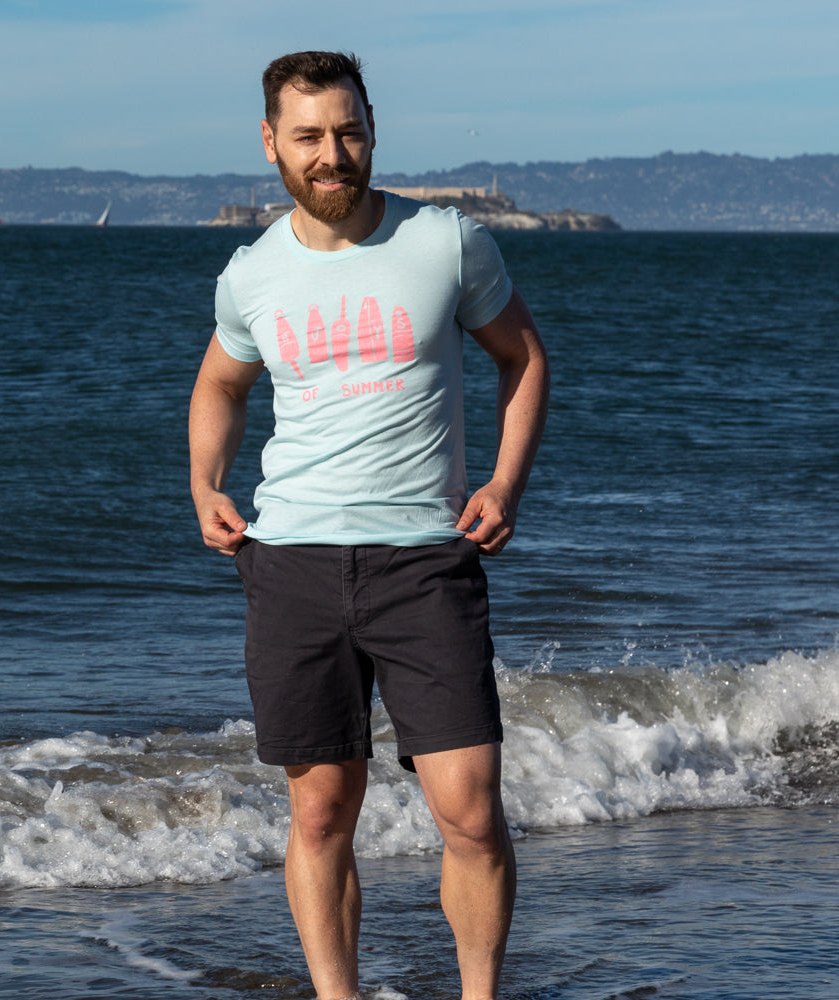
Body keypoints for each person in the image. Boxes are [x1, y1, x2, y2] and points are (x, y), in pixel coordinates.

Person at [189, 50, 549, 1000]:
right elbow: (221, 383)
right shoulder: (251, 273)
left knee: (470, 813)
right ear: (271, 143)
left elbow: (522, 358)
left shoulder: (448, 242)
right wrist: (205, 484)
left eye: (347, 132)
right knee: (320, 812)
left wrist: (505, 483)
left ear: (372, 129)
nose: (331, 154)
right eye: (308, 136)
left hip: (425, 561)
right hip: (291, 564)